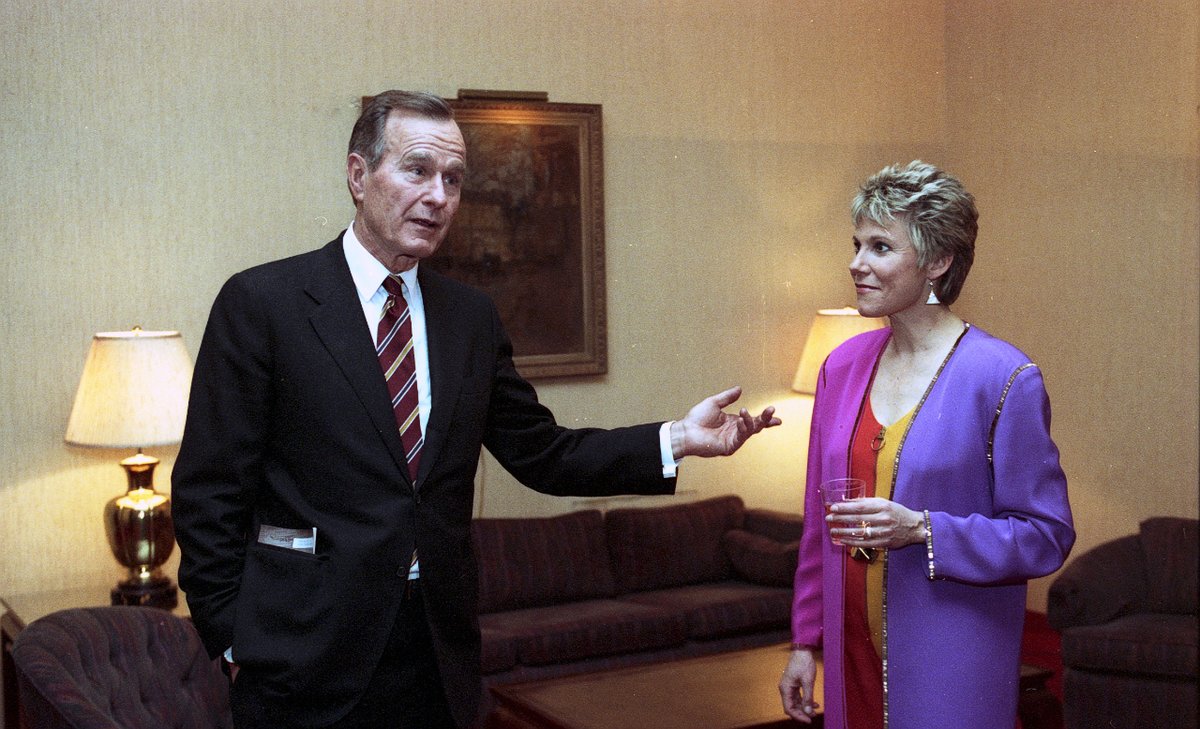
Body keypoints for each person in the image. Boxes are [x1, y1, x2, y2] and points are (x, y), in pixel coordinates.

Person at [172, 90, 781, 729]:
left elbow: (544, 454)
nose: (439, 196)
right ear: (358, 176)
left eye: (454, 180)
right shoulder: (265, 304)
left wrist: (679, 438)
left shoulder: (469, 317)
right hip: (302, 657)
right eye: (418, 170)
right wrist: (234, 641)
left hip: (437, 654)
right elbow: (209, 490)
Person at [778, 161, 1074, 729]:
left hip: (951, 661)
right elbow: (821, 523)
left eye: (880, 247)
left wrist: (922, 529)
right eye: (857, 243)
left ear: (938, 261)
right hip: (849, 656)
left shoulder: (1004, 378)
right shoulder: (840, 367)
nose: (856, 264)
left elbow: (1046, 536)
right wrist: (804, 643)